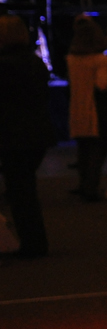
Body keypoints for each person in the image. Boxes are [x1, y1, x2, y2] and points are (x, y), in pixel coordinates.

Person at [0, 15, 55, 257]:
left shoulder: (4, 64)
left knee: (19, 191)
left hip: (13, 135)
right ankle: (35, 242)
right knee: (25, 190)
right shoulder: (35, 62)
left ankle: (32, 245)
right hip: (36, 133)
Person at [66, 15, 107, 202]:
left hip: (77, 104)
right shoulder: (100, 59)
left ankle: (83, 183)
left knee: (82, 147)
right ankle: (91, 186)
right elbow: (102, 84)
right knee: (95, 148)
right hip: (94, 106)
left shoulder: (71, 59)